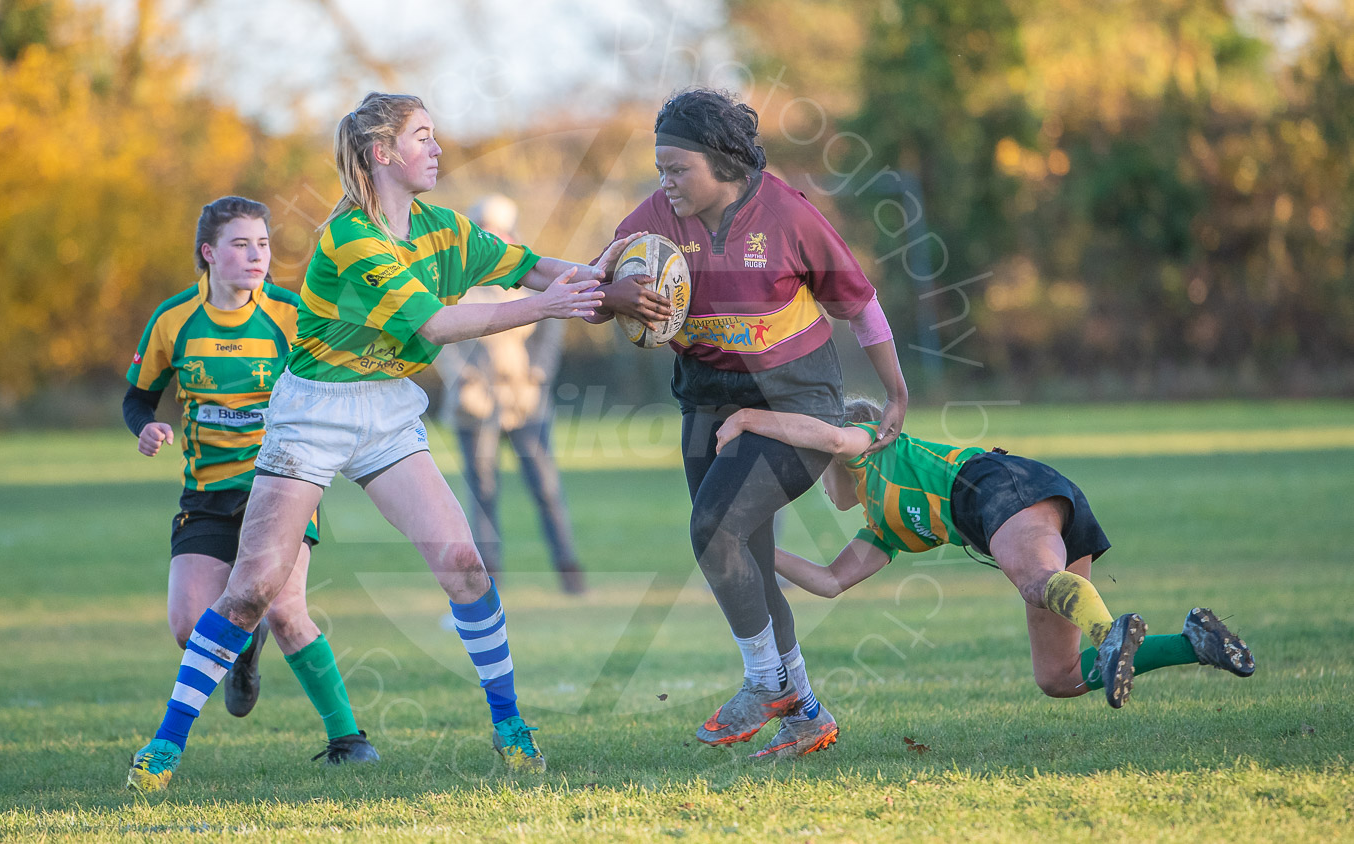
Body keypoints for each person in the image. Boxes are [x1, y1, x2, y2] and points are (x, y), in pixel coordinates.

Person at [127, 93, 637, 793]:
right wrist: (552, 305)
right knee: (252, 592)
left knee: (463, 562)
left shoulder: (442, 228)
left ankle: (511, 727)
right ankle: (163, 748)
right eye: (423, 136)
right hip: (314, 411)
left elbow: (533, 266)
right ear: (382, 154)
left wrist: (606, 280)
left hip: (387, 410)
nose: (438, 148)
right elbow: (435, 325)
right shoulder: (353, 238)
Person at [590, 89, 909, 759]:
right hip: (706, 401)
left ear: (723, 162)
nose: (665, 182)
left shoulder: (788, 215)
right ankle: (806, 715)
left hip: (798, 402)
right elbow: (599, 287)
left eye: (678, 168)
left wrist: (896, 390)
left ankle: (765, 683)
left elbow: (860, 303)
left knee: (713, 529)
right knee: (745, 557)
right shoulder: (651, 220)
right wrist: (607, 297)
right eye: (659, 168)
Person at [714, 396, 1255, 743]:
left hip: (995, 485)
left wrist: (744, 417)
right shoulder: (880, 529)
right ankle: (1195, 641)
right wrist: (748, 548)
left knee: (1036, 583)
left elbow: (830, 437)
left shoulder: (868, 447)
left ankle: (1110, 632)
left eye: (814, 473)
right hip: (1023, 503)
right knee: (1059, 677)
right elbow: (831, 582)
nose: (815, 483)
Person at [123, 196, 378, 770]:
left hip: (284, 486)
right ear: (209, 253)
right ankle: (243, 651)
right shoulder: (173, 321)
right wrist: (148, 426)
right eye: (241, 244)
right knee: (189, 625)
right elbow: (137, 397)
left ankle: (349, 739)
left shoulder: (290, 313)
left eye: (263, 243)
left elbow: (339, 366)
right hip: (206, 497)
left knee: (287, 608)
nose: (256, 255)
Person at [436, 195, 585, 595]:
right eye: (484, 226)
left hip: (525, 402)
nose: (493, 234)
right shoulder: (454, 280)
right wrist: (463, 381)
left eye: (499, 227)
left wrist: (537, 374)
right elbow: (439, 336)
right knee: (482, 493)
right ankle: (490, 577)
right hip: (475, 404)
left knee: (546, 486)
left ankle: (569, 568)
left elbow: (553, 324)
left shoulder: (526, 274)